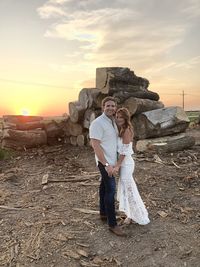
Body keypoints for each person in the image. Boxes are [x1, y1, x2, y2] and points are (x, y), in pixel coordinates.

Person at [89, 96, 125, 236]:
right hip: (104, 162)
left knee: (104, 187)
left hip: (111, 161)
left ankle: (104, 213)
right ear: (103, 107)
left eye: (113, 106)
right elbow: (95, 145)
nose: (110, 108)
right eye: (108, 105)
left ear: (115, 107)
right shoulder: (97, 123)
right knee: (111, 190)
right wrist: (107, 165)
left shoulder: (112, 122)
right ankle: (112, 224)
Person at [113, 107, 150, 225]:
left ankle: (137, 215)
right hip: (123, 163)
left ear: (126, 118)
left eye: (121, 117)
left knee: (129, 189)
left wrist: (117, 166)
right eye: (117, 117)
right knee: (125, 188)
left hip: (126, 163)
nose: (118, 119)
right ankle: (129, 214)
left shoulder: (127, 130)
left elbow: (124, 151)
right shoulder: (121, 129)